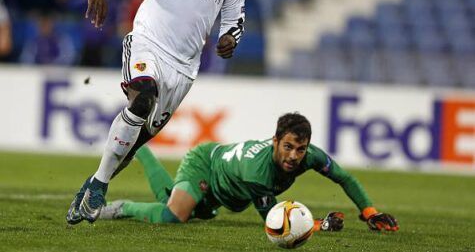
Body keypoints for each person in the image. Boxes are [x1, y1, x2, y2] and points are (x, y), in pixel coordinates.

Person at [66, 0, 246, 225]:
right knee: (142, 99)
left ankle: (91, 186)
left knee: (134, 143)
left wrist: (229, 39)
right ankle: (100, 187)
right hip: (147, 44)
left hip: (184, 70)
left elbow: (235, 20)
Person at [98, 113, 399, 233]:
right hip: (207, 164)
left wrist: (370, 211)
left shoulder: (311, 156)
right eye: (289, 147)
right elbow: (274, 221)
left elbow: (345, 178)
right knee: (173, 215)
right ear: (275, 141)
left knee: (169, 200)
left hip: (224, 189)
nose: (294, 156)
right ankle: (119, 208)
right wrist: (321, 225)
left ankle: (140, 148)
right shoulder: (259, 174)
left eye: (301, 149)